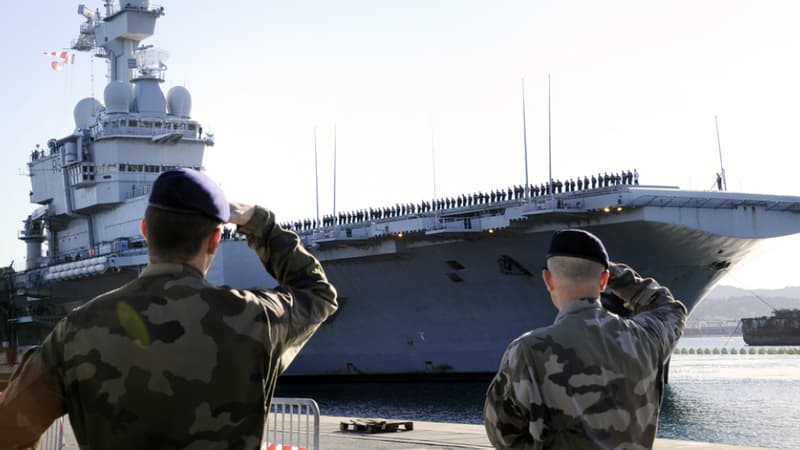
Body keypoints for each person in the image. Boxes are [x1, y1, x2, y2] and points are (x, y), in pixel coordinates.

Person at [0, 168, 338, 449]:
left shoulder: (75, 330)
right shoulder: (255, 317)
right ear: (215, 240)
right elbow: (318, 293)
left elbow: (7, 432)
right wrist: (257, 222)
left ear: (145, 231)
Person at [484, 229, 686, 449]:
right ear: (603, 281)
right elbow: (669, 308)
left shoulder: (526, 351)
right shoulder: (646, 340)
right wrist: (612, 272)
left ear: (548, 280)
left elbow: (502, 435)